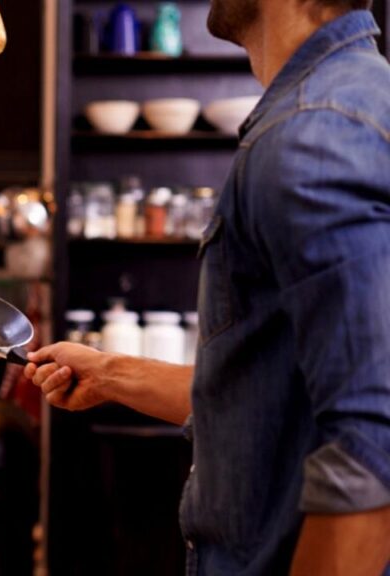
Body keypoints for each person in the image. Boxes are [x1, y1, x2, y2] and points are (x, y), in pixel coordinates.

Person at [26, 0, 390, 574]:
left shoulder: (313, 131)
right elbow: (276, 398)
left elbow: (371, 444)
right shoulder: (347, 102)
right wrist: (109, 373)